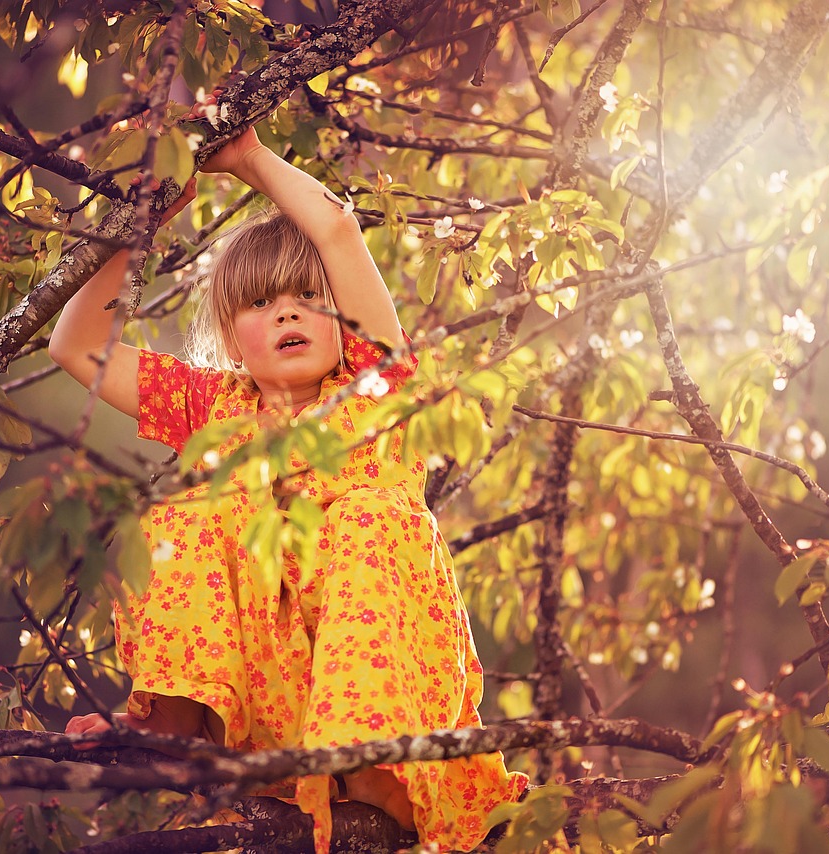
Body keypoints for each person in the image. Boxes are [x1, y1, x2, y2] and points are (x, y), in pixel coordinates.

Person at [50, 122, 527, 852]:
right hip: (270, 709)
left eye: (309, 296)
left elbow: (336, 229)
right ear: (230, 332)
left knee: (365, 518)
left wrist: (246, 159)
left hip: (387, 698)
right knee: (180, 516)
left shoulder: (375, 388)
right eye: (261, 304)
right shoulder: (216, 408)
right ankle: (176, 719)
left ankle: (375, 767)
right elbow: (74, 348)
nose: (288, 312)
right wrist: (139, 229)